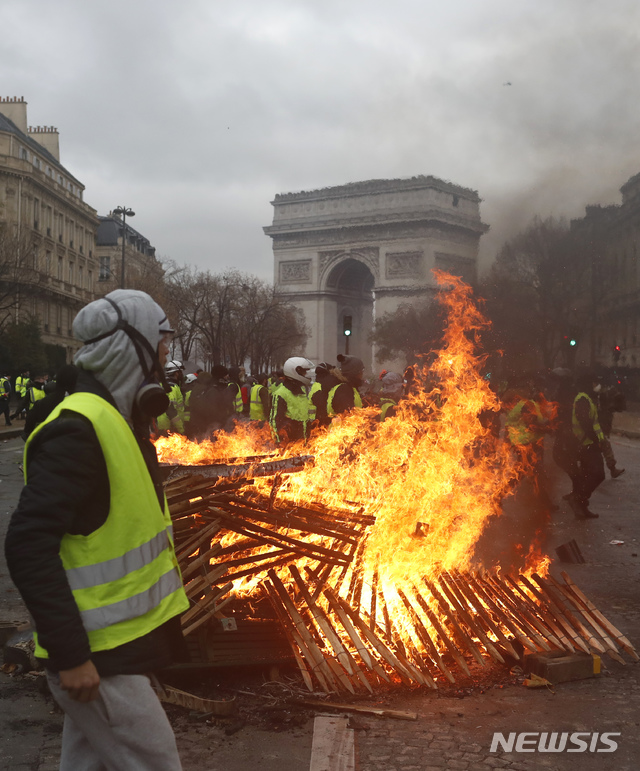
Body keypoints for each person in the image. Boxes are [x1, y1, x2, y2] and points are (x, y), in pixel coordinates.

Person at [4, 289, 188, 770]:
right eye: (162, 342)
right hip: (97, 658)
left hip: (113, 650)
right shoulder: (80, 429)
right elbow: (27, 544)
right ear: (133, 347)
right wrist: (70, 656)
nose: (167, 355)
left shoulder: (115, 420)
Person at [566, 375, 607, 519]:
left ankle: (582, 507)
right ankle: (578, 498)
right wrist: (595, 440)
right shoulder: (582, 399)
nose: (596, 385)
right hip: (587, 444)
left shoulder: (585, 398)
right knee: (598, 474)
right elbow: (585, 422)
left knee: (587, 475)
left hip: (587, 443)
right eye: (594, 382)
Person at [269, 356, 314, 444]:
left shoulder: (302, 392)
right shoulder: (281, 394)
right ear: (295, 371)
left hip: (303, 443)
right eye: (304, 372)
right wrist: (279, 442)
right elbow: (274, 421)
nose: (306, 375)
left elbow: (304, 417)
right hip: (289, 445)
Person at [186, 366, 236, 441]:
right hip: (212, 427)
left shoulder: (212, 388)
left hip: (207, 426)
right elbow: (212, 411)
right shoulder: (213, 390)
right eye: (226, 374)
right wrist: (223, 421)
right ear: (220, 375)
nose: (228, 377)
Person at [156, 360, 186, 435]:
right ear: (176, 373)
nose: (182, 375)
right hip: (168, 428)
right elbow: (171, 410)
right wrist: (181, 430)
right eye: (181, 372)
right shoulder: (171, 387)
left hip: (162, 426)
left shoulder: (161, 385)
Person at [308, 362, 340, 428]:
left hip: (317, 421)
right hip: (317, 422)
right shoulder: (319, 385)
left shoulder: (318, 384)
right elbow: (321, 403)